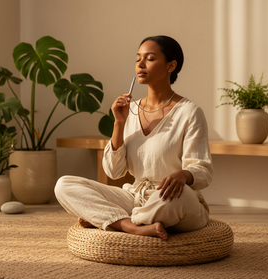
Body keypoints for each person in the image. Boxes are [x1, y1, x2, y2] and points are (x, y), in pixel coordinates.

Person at [55, 35, 213, 240]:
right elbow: (114, 171)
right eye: (138, 58)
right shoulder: (129, 110)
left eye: (150, 58)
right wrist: (119, 123)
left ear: (170, 66)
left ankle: (110, 220)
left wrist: (183, 175)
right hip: (134, 196)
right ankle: (132, 225)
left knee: (180, 196)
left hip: (170, 199)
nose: (140, 63)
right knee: (64, 185)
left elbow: (203, 171)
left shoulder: (189, 112)